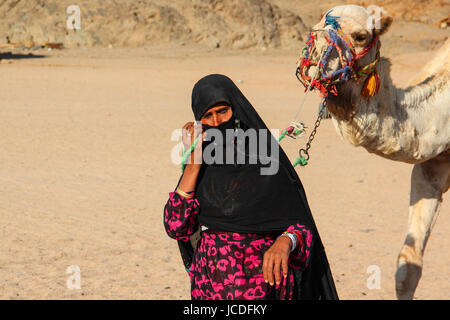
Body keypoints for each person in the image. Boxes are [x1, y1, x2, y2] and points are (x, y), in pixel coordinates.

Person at [163, 74, 338, 300]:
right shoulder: (201, 166)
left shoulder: (265, 159)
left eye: (222, 111)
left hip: (267, 287)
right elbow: (175, 226)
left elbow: (303, 225)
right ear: (199, 121)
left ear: (235, 110)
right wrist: (193, 166)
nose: (216, 122)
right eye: (208, 115)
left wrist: (286, 240)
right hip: (212, 287)